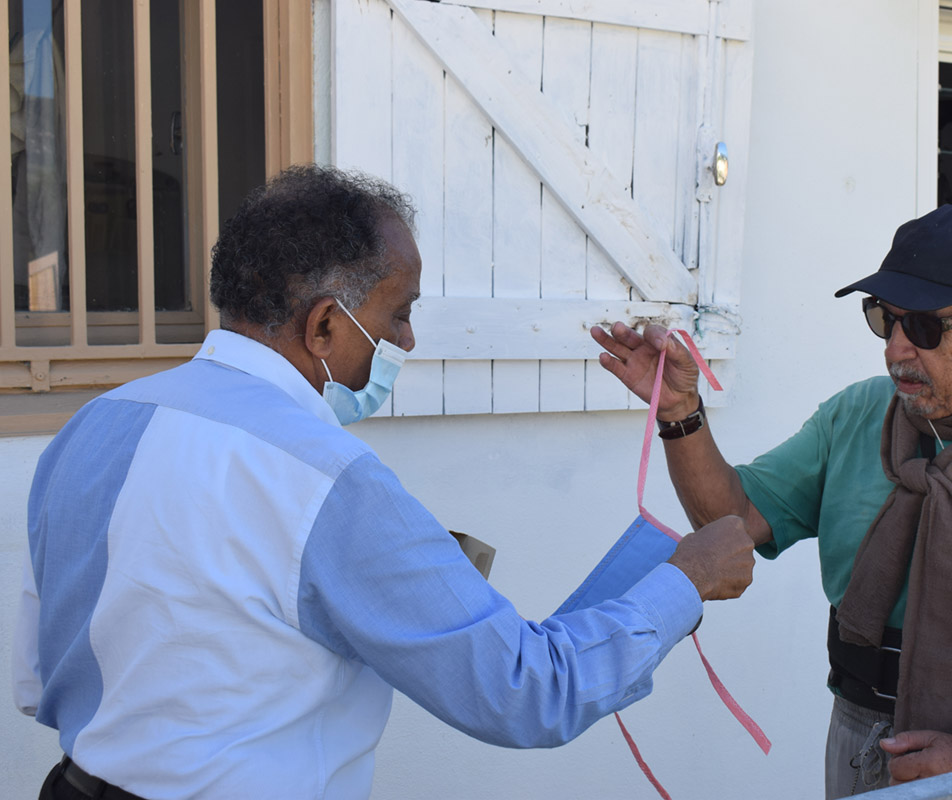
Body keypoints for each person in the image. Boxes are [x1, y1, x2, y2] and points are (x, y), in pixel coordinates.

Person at [13, 164, 757, 800]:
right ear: (326, 326)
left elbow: (38, 677)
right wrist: (684, 582)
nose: (406, 342)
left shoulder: (96, 425)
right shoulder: (322, 478)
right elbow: (528, 691)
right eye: (397, 315)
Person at [591, 203, 952, 796]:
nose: (895, 350)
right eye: (883, 319)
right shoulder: (857, 416)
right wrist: (680, 413)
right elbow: (733, 519)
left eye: (923, 328)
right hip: (864, 742)